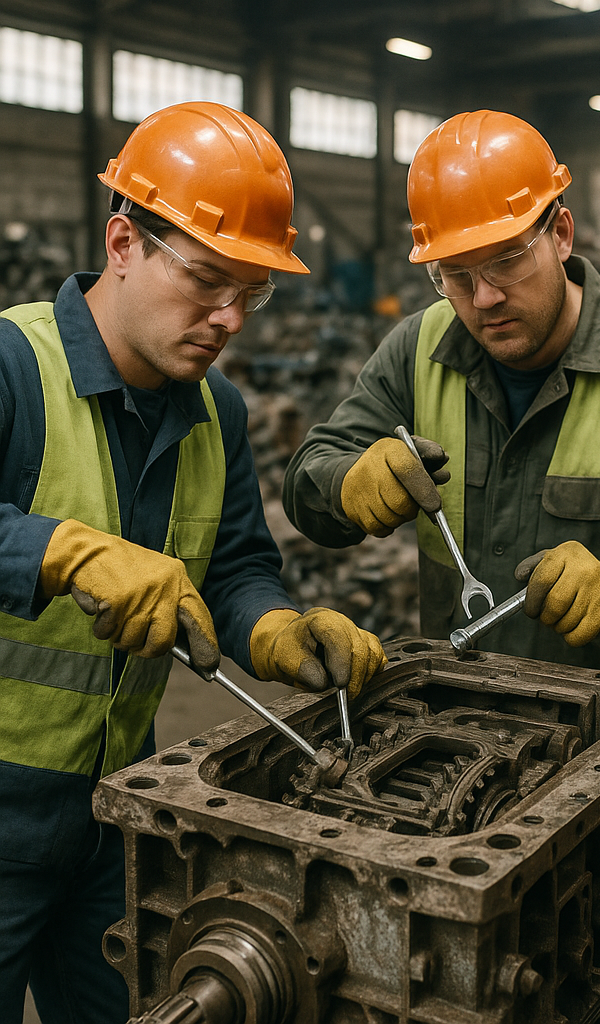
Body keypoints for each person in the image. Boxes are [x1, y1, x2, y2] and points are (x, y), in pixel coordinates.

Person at [0, 102, 385, 1024]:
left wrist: (279, 633)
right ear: (123, 240)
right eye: (209, 279)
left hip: (109, 824)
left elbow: (236, 569)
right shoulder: (13, 364)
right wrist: (59, 549)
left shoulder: (218, 410)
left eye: (251, 294)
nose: (229, 319)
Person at [282, 109, 600, 674]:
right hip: (465, 719)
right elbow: (309, 478)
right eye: (455, 275)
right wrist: (346, 484)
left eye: (506, 263)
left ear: (560, 235)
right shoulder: (418, 347)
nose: (483, 299)